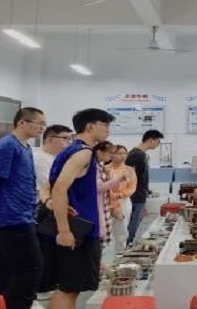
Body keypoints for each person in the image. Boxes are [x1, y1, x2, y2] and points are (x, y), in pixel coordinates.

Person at [47, 108, 115, 309]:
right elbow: (59, 188)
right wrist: (64, 230)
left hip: (76, 226)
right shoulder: (83, 153)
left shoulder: (70, 150)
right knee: (69, 288)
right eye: (105, 125)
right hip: (77, 229)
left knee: (68, 287)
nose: (108, 130)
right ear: (90, 126)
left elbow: (50, 187)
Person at [0, 107, 46, 309]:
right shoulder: (8, 145)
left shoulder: (25, 147)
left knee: (12, 269)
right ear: (22, 122)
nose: (42, 128)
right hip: (11, 218)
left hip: (25, 215)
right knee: (31, 266)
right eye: (39, 123)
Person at [126, 129, 164, 245]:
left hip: (139, 193)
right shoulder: (137, 155)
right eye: (158, 141)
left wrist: (147, 190)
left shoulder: (138, 154)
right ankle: (128, 244)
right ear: (151, 140)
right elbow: (129, 176)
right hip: (136, 195)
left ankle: (128, 242)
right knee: (134, 221)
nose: (158, 145)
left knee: (135, 220)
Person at [93, 141, 124, 249]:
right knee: (99, 234)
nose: (111, 156)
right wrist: (119, 179)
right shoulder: (94, 166)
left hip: (105, 203)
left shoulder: (101, 166)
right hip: (97, 204)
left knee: (104, 233)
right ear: (99, 152)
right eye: (109, 153)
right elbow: (100, 187)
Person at [108, 145, 137, 254]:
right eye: (119, 153)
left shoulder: (129, 170)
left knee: (122, 229)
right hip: (107, 201)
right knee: (107, 229)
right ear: (112, 154)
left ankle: (120, 253)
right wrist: (111, 196)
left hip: (123, 201)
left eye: (124, 153)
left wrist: (120, 195)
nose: (122, 156)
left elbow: (132, 187)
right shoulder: (105, 169)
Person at [33, 124, 73, 191]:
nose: (70, 142)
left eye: (70, 139)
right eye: (65, 138)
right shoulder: (38, 158)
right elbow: (48, 186)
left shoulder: (60, 158)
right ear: (50, 139)